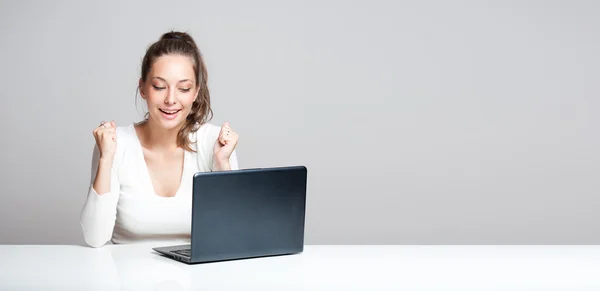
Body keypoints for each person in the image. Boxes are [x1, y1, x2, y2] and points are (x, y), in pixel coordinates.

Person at [80, 31, 239, 248]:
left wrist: (222, 164)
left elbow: (232, 235)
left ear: (195, 93)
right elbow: (94, 237)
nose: (171, 99)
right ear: (143, 88)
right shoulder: (116, 144)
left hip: (197, 278)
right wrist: (106, 158)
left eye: (183, 88)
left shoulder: (215, 143)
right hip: (127, 277)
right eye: (159, 86)